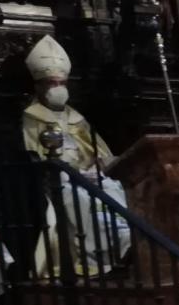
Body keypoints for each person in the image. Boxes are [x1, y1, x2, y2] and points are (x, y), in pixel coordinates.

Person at [20, 34, 132, 275]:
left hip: (90, 176)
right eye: (51, 83)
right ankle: (105, 252)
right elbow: (34, 159)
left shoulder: (77, 118)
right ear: (38, 86)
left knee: (114, 187)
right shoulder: (31, 118)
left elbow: (99, 151)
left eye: (62, 83)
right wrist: (75, 174)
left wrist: (100, 166)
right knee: (78, 196)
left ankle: (128, 241)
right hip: (60, 182)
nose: (58, 89)